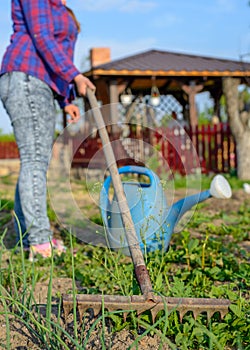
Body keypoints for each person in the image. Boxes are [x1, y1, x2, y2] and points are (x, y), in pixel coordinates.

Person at [0, 0, 95, 261]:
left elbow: (62, 52)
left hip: (41, 84)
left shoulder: (62, 8)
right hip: (26, 76)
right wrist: (75, 75)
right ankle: (40, 242)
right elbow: (42, 37)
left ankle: (24, 239)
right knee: (34, 159)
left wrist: (66, 99)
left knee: (35, 161)